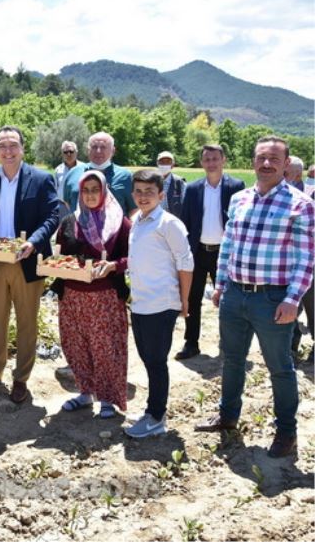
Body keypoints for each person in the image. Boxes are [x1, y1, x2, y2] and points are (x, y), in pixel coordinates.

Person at [196, 136, 314, 458]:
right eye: (261, 158)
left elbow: (307, 258)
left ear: (285, 164)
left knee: (280, 367)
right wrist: (220, 285)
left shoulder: (301, 204)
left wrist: (292, 300)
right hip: (235, 294)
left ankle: (286, 433)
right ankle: (228, 416)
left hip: (273, 300)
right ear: (252, 162)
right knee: (232, 361)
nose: (266, 164)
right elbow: (228, 246)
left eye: (274, 159)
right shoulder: (239, 199)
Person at [0, 125, 59, 403]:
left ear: (22, 149)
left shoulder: (40, 179)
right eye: (2, 146)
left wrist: (35, 242)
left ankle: (21, 379)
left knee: (27, 322)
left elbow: (52, 215)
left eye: (13, 145)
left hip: (26, 261)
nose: (8, 151)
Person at [53, 170, 131, 418]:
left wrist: (114, 266)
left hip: (104, 296)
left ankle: (107, 397)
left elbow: (132, 256)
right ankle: (86, 392)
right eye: (85, 190)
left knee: (105, 348)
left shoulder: (119, 222)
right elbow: (61, 255)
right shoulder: (69, 222)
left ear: (104, 191)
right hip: (73, 296)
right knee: (77, 345)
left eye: (95, 189)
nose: (90, 195)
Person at [124, 169, 193, 438]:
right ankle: (153, 409)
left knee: (156, 361)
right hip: (140, 303)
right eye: (138, 192)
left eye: (149, 192)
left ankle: (156, 417)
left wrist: (184, 300)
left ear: (161, 195)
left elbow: (186, 262)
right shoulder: (138, 221)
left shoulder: (169, 224)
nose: (143, 196)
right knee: (148, 360)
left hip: (162, 304)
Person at [176, 145, 245, 360]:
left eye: (215, 158)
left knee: (227, 300)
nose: (211, 163)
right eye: (207, 159)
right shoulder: (194, 188)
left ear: (223, 160)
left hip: (224, 254)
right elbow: (185, 221)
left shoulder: (236, 186)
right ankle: (191, 342)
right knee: (192, 297)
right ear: (202, 162)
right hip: (198, 252)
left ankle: (228, 344)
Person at [63, 131, 138, 216]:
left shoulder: (126, 176)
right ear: (88, 150)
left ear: (113, 151)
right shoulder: (73, 173)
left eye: (103, 147)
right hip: (79, 228)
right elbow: (67, 204)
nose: (98, 151)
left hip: (117, 228)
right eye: (94, 147)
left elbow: (134, 209)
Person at [55, 141, 84, 218]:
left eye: (71, 151)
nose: (68, 154)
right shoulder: (58, 170)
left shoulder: (84, 168)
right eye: (65, 152)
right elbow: (55, 190)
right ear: (62, 154)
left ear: (76, 152)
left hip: (80, 206)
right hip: (62, 207)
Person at [157, 151, 187, 219]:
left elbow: (187, 205)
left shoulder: (179, 182)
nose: (164, 165)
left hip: (174, 221)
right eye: (162, 162)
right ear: (157, 164)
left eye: (167, 162)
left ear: (172, 165)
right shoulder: (152, 181)